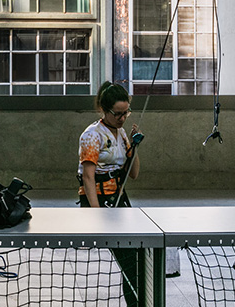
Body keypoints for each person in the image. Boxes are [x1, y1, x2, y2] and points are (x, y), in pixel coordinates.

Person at [78, 82, 142, 307]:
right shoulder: (92, 136)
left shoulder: (122, 133)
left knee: (137, 257)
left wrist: (134, 147)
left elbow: (133, 174)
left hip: (119, 198)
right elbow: (87, 177)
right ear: (104, 110)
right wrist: (96, 216)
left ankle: (139, 301)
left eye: (126, 113)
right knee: (129, 260)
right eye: (118, 114)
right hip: (100, 199)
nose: (123, 118)